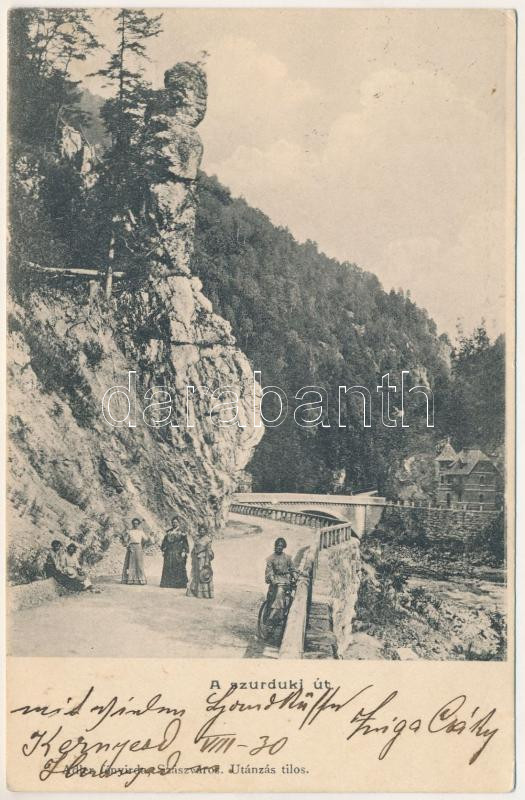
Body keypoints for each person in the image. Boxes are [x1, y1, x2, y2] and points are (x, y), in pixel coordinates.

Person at [265, 537, 297, 624]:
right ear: (275, 546)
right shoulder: (270, 558)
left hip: (286, 581)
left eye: (281, 546)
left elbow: (293, 569)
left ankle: (279, 614)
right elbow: (269, 572)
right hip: (275, 581)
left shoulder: (287, 558)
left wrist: (295, 576)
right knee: (272, 595)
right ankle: (270, 616)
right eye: (278, 545)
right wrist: (273, 580)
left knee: (282, 592)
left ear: (283, 547)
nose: (279, 547)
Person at [160, 518, 189, 588]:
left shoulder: (182, 532)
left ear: (178, 523)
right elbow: (165, 542)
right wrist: (163, 549)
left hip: (178, 551)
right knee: (168, 566)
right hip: (169, 551)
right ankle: (168, 583)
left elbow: (185, 542)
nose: (174, 524)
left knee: (178, 566)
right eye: (173, 522)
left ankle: (179, 584)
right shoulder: (169, 532)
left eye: (176, 522)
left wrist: (184, 551)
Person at [186, 526, 214, 599]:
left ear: (205, 531)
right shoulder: (197, 539)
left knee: (203, 574)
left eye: (203, 530)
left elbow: (209, 551)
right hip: (196, 559)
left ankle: (204, 593)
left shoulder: (208, 540)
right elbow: (194, 549)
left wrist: (207, 562)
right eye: (200, 530)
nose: (202, 531)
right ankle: (194, 591)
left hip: (203, 559)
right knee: (195, 573)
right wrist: (193, 556)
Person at [122, 518, 147, 585]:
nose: (135, 525)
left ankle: (140, 580)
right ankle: (130, 580)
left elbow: (146, 540)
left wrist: (142, 546)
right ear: (132, 524)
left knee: (139, 563)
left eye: (137, 523)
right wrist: (128, 546)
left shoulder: (141, 532)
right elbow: (125, 541)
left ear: (138, 524)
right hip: (131, 547)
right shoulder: (130, 531)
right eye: (134, 523)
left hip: (138, 547)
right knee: (131, 563)